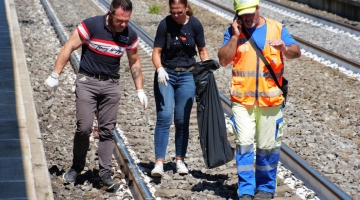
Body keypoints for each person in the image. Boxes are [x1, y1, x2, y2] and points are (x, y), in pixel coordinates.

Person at [44, 0, 148, 190]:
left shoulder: (129, 34)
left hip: (111, 84)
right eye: (119, 20)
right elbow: (69, 47)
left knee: (107, 130)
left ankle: (105, 173)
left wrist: (140, 89)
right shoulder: (91, 25)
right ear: (110, 14)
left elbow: (135, 61)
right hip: (87, 82)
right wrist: (55, 74)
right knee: (83, 128)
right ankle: (77, 167)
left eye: (127, 21)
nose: (123, 24)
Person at [218, 0, 301, 199]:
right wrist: (235, 37)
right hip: (242, 101)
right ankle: (246, 190)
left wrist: (284, 48)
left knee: (268, 147)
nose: (247, 18)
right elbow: (223, 60)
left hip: (270, 101)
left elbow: (296, 52)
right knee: (244, 143)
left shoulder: (277, 28)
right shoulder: (233, 31)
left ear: (258, 9)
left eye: (250, 13)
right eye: (243, 14)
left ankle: (265, 188)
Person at [150, 0, 210, 177]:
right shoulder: (164, 24)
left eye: (179, 12)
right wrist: (159, 68)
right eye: (173, 12)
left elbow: (202, 50)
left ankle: (180, 160)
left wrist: (206, 71)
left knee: (182, 119)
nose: (175, 16)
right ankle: (159, 163)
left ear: (186, 8)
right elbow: (156, 51)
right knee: (165, 116)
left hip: (187, 75)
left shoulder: (195, 24)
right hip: (167, 74)